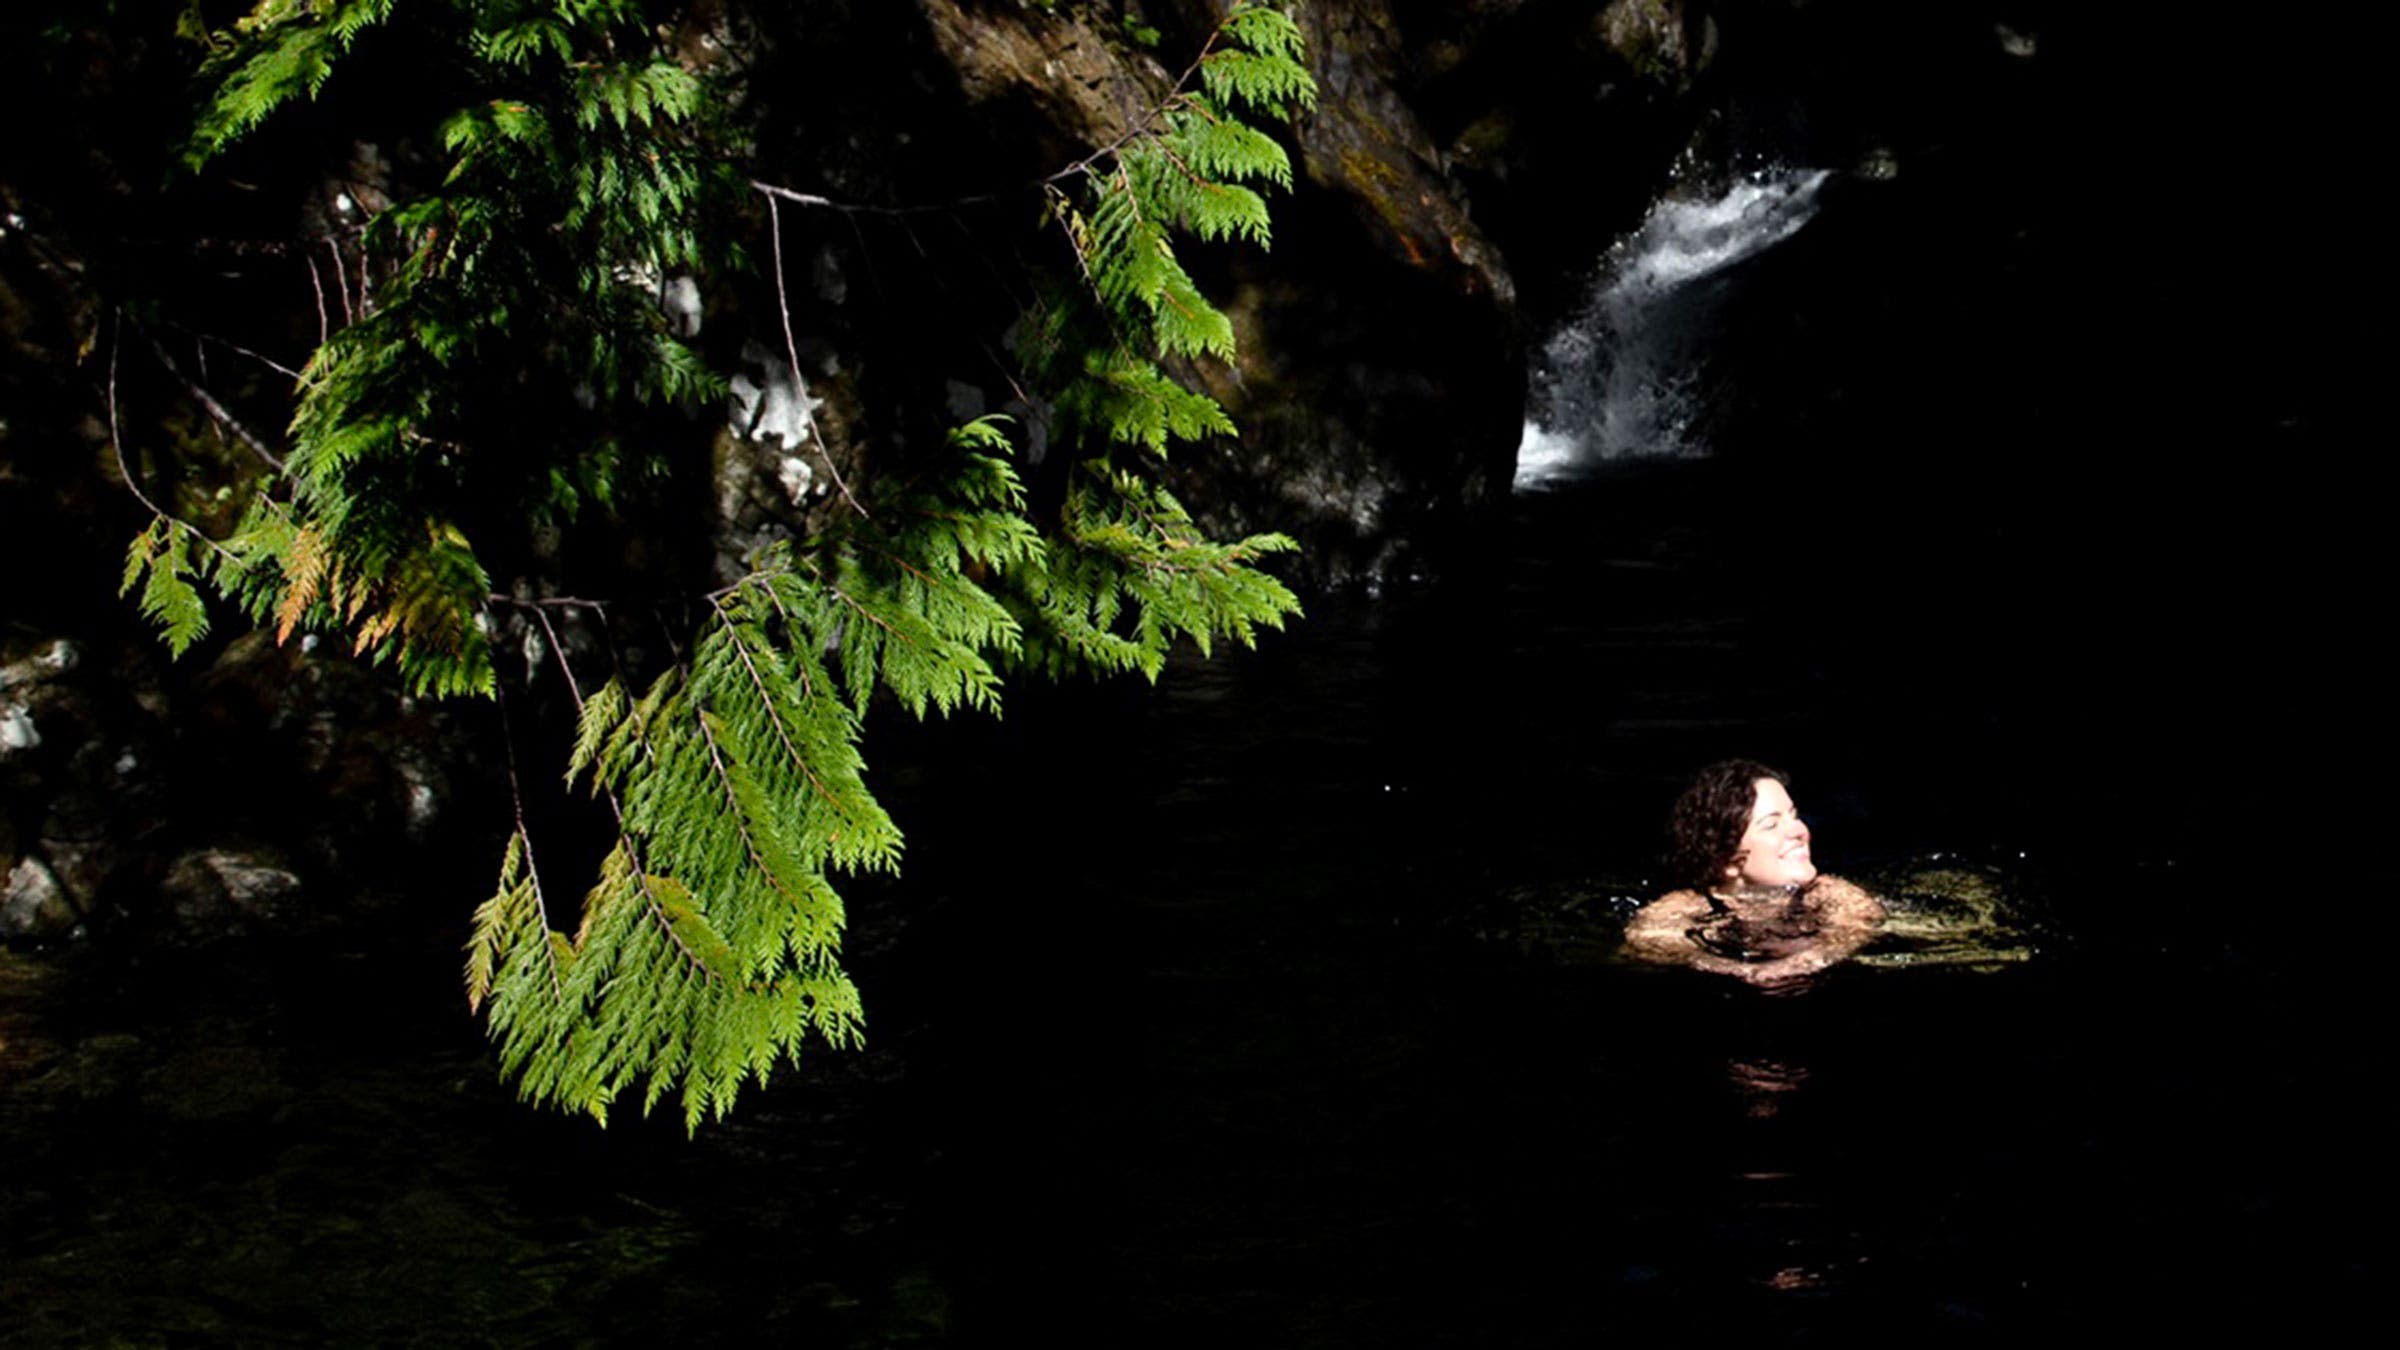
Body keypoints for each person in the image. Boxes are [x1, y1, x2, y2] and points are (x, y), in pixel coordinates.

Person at [1622, 760, 1885, 987]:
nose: (1798, 830)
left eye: (1793, 815)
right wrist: (1741, 970)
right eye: (1771, 825)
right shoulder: (1685, 907)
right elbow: (1647, 945)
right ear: (1728, 861)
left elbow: (1857, 927)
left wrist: (1798, 963)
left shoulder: (1827, 892)